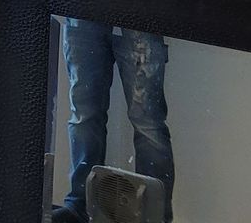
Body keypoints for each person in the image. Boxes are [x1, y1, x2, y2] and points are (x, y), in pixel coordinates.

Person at [53, 18, 174, 223]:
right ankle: (79, 205)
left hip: (141, 3)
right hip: (83, 4)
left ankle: (154, 215)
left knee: (148, 124)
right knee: (84, 115)